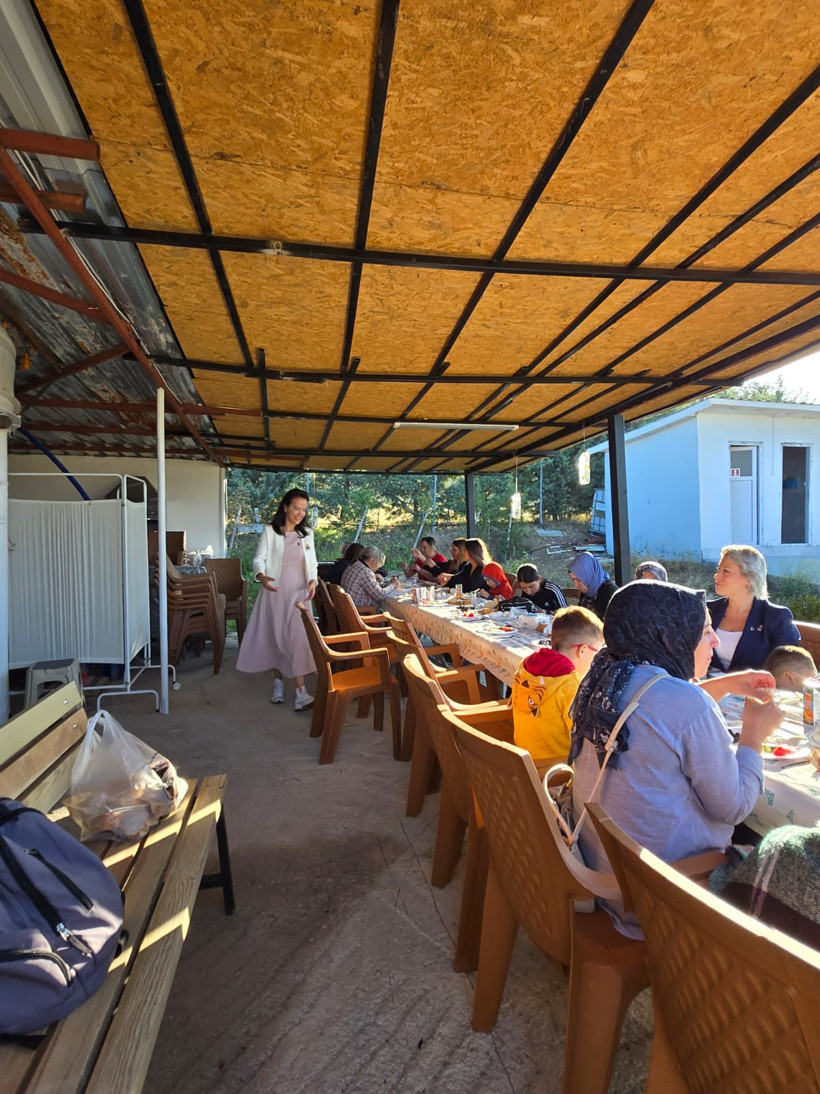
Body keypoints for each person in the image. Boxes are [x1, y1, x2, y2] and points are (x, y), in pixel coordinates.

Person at [569, 580, 783, 939]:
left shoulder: (605, 676)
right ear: (669, 635)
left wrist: (729, 684)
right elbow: (735, 807)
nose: (714, 641)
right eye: (703, 631)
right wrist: (753, 737)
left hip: (598, 873)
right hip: (665, 894)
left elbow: (658, 707)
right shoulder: (685, 705)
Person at [237, 488, 317, 711]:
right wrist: (261, 577)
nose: (300, 513)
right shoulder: (270, 532)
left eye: (303, 509)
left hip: (300, 595)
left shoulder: (307, 533)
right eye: (296, 508)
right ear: (285, 507)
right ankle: (278, 682)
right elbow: (258, 560)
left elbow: (313, 565)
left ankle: (301, 691)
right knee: (277, 638)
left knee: (299, 640)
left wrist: (313, 581)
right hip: (276, 593)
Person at [512, 606, 603, 762]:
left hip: (524, 761)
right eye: (598, 652)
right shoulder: (572, 684)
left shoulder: (525, 665)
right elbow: (583, 739)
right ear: (582, 650)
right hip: (555, 771)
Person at [708, 544, 800, 672]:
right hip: (707, 689)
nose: (717, 576)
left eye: (725, 571)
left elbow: (787, 668)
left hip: (757, 691)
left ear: (749, 578)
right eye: (718, 570)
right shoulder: (707, 610)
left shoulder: (776, 617)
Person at [568, 551, 617, 619]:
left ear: (590, 575)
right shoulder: (587, 591)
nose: (576, 585)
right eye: (573, 580)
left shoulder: (610, 594)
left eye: (578, 580)